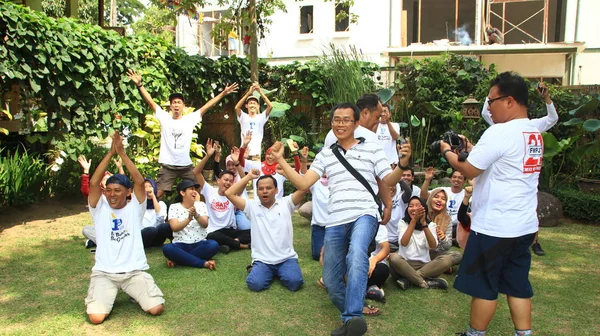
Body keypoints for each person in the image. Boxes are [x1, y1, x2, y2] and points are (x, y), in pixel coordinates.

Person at [271, 103, 412, 336]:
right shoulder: (326, 154)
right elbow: (305, 184)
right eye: (336, 119)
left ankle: (352, 316)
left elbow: (389, 179)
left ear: (356, 123)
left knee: (357, 253)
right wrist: (280, 159)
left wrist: (403, 164)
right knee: (330, 278)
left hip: (364, 213)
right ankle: (350, 325)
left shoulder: (372, 148)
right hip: (335, 220)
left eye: (346, 120)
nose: (340, 124)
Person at [441, 72, 543, 336]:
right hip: (524, 226)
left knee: (485, 286)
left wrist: (446, 151)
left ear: (509, 101)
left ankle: (475, 334)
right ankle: (524, 334)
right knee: (517, 283)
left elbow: (470, 169)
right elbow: (502, 161)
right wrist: (472, 147)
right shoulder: (533, 131)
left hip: (495, 227)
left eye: (491, 100)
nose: (488, 107)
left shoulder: (499, 132)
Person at [84, 131, 164, 324]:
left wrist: (123, 154)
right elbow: (94, 182)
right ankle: (107, 293)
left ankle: (134, 293)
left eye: (117, 190)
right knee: (96, 318)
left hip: (133, 272)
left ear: (128, 192)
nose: (112, 194)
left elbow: (138, 181)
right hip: (105, 272)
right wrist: (110, 153)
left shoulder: (135, 208)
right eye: (109, 190)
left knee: (156, 309)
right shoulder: (99, 209)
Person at [127, 69, 238, 198]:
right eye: (173, 102)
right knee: (157, 193)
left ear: (183, 106)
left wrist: (223, 93)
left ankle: (203, 215)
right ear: (170, 106)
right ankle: (150, 214)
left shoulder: (190, 119)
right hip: (168, 165)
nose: (176, 105)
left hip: (186, 165)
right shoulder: (165, 118)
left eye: (179, 102)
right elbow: (151, 102)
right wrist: (140, 85)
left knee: (201, 191)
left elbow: (207, 106)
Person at [481, 82, 558, 257]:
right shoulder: (497, 126)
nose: (492, 110)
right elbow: (485, 112)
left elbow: (552, 119)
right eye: (491, 103)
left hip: (523, 182)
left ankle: (534, 242)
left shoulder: (531, 126)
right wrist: (492, 95)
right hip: (501, 183)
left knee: (528, 213)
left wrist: (546, 98)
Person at [225, 170, 306, 292]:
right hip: (262, 260)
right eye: (261, 188)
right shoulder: (251, 207)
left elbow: (303, 188)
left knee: (295, 283)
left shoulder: (286, 203)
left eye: (269, 188)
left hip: (286, 258)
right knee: (255, 284)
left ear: (276, 190)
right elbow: (229, 193)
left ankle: (278, 271)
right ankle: (260, 270)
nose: (264, 191)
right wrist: (248, 177)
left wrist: (286, 174)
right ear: (257, 192)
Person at [194, 139, 250, 253]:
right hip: (214, 231)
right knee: (212, 237)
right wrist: (208, 156)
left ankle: (228, 243)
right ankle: (239, 245)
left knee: (253, 232)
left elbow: (244, 180)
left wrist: (237, 162)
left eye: (230, 181)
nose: (228, 183)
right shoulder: (209, 190)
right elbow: (196, 172)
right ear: (218, 181)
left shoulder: (233, 194)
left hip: (229, 230)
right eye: (225, 180)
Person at [389, 196, 449, 290]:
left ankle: (409, 280)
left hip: (425, 266)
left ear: (424, 209)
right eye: (411, 206)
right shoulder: (403, 223)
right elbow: (404, 243)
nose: (414, 209)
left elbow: (433, 246)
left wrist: (424, 224)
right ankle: (424, 283)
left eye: (418, 206)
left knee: (447, 259)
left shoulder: (431, 225)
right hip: (405, 265)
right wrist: (413, 221)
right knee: (393, 257)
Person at [162, 179, 219, 269]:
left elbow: (205, 224)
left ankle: (179, 259)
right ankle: (203, 263)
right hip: (180, 244)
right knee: (167, 248)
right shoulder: (174, 207)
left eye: (195, 189)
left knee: (213, 245)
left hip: (200, 243)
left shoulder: (201, 205)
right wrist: (188, 218)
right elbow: (175, 227)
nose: (194, 192)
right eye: (191, 189)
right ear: (182, 193)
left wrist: (196, 215)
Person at [238, 131, 301, 199]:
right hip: (259, 206)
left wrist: (295, 153)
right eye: (268, 154)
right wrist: (244, 146)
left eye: (273, 154)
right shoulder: (257, 165)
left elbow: (297, 172)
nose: (270, 157)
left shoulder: (281, 169)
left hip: (276, 207)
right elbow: (240, 162)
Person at [79, 155, 125, 248]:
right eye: (105, 179)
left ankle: (98, 242)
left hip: (117, 228)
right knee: (86, 230)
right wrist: (86, 171)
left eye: (110, 179)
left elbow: (124, 185)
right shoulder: (97, 196)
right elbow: (86, 190)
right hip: (102, 229)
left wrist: (120, 168)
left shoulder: (117, 195)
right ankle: (106, 242)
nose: (107, 180)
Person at [212, 143, 252, 231]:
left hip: (239, 208)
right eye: (228, 165)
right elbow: (216, 169)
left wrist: (240, 160)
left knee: (246, 228)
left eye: (233, 165)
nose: (231, 167)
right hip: (225, 208)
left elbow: (244, 178)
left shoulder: (240, 176)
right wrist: (217, 154)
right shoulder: (224, 176)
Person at [421, 168, 466, 244]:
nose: (456, 179)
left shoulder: (467, 194)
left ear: (464, 181)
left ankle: (453, 239)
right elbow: (424, 195)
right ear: (450, 179)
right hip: (438, 222)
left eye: (460, 178)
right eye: (454, 177)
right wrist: (427, 180)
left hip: (456, 226)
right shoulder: (442, 190)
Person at [299, 146, 328, 261]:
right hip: (319, 225)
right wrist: (304, 161)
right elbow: (303, 179)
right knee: (317, 255)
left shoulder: (338, 179)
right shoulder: (316, 182)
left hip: (336, 224)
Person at [426, 187, 463, 271]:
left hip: (435, 253)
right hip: (419, 251)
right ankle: (439, 267)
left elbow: (447, 246)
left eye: (443, 199)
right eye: (436, 197)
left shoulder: (447, 219)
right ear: (430, 198)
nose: (439, 200)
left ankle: (435, 265)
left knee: (457, 255)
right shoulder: (422, 214)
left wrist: (443, 238)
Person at [235, 83, 273, 159]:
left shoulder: (261, 117)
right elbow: (237, 108)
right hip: (243, 152)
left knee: (255, 171)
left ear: (258, 106)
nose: (252, 105)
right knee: (242, 171)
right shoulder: (243, 116)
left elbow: (270, 106)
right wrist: (248, 94)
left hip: (256, 154)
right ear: (246, 106)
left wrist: (260, 91)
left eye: (254, 103)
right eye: (250, 103)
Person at [140, 178, 173, 248]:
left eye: (150, 186)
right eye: (145, 187)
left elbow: (161, 218)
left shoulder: (161, 204)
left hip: (157, 237)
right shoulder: (138, 205)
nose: (148, 189)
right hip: (145, 235)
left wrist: (153, 197)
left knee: (164, 226)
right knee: (150, 230)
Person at [365, 225, 390, 303]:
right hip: (356, 263)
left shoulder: (380, 227)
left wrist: (374, 260)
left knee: (383, 269)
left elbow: (386, 248)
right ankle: (368, 290)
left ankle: (366, 289)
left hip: (374, 265)